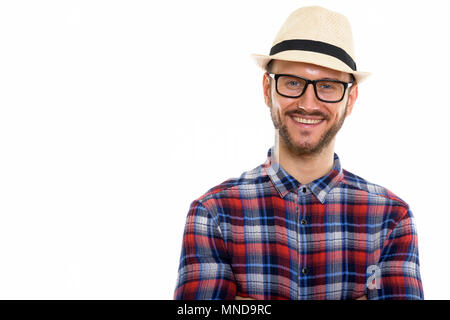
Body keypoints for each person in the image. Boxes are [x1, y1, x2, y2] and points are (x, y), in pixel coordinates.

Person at [173, 6, 424, 300]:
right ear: (267, 89)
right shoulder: (214, 213)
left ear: (351, 98)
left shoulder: (391, 218)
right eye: (293, 83)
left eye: (328, 86)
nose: (308, 102)